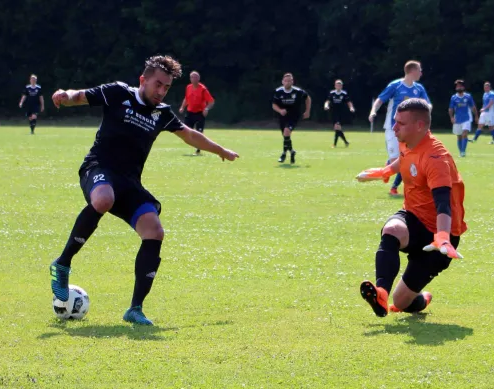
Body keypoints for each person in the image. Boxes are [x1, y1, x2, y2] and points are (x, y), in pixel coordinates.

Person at [49, 55, 239, 325]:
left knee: (154, 231)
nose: (161, 92)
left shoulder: (161, 113)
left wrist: (221, 150)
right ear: (143, 80)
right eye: (158, 85)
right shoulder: (117, 93)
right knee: (103, 198)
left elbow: (188, 134)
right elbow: (78, 96)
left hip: (129, 183)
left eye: (166, 88)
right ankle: (62, 264)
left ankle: (135, 309)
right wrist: (64, 95)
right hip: (98, 168)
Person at [356, 98, 467, 317]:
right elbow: (405, 160)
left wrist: (442, 237)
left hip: (440, 237)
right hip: (413, 218)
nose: (394, 128)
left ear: (419, 125)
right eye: (394, 121)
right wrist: (385, 171)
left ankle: (421, 299)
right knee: (392, 230)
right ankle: (381, 293)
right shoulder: (407, 140)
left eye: (400, 123)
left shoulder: (437, 158)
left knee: (402, 302)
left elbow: (443, 202)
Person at [369, 60, 430, 197]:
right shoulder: (395, 86)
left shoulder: (419, 89)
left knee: (407, 159)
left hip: (410, 130)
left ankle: (394, 187)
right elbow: (380, 100)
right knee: (397, 161)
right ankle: (388, 167)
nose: (421, 72)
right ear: (412, 71)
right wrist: (373, 111)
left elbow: (427, 104)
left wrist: (427, 111)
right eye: (419, 70)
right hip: (393, 128)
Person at [272, 73, 311, 164]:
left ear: (292, 81)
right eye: (286, 81)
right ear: (282, 82)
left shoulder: (298, 91)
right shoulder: (278, 92)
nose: (288, 82)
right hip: (282, 117)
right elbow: (273, 105)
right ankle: (292, 152)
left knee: (286, 132)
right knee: (286, 136)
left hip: (294, 116)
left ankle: (284, 154)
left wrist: (307, 111)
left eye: (290, 81)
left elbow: (308, 98)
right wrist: (280, 110)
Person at [179, 71, 215, 154]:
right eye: (192, 77)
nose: (193, 79)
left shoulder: (203, 89)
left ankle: (198, 149)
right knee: (185, 130)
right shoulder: (188, 87)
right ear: (190, 79)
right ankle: (195, 144)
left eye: (195, 77)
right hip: (190, 112)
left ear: (199, 78)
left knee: (199, 132)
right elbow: (186, 98)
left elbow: (211, 101)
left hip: (200, 114)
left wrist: (206, 109)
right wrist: (182, 107)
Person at [448, 80, 478, 157]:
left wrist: (476, 116)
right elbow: (451, 108)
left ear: (463, 87)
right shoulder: (454, 97)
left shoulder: (468, 96)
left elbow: (473, 107)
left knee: (464, 134)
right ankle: (461, 151)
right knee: (459, 136)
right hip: (457, 119)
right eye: (457, 86)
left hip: (467, 119)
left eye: (460, 86)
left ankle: (463, 152)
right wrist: (451, 117)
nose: (458, 87)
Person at [324, 79, 355, 148]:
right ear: (335, 86)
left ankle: (334, 144)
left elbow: (349, 102)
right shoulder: (332, 93)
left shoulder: (344, 94)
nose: (338, 86)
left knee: (337, 127)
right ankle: (346, 142)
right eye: (337, 85)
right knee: (337, 129)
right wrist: (326, 105)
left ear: (341, 86)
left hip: (341, 113)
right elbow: (328, 101)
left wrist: (351, 108)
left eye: (340, 85)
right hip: (333, 112)